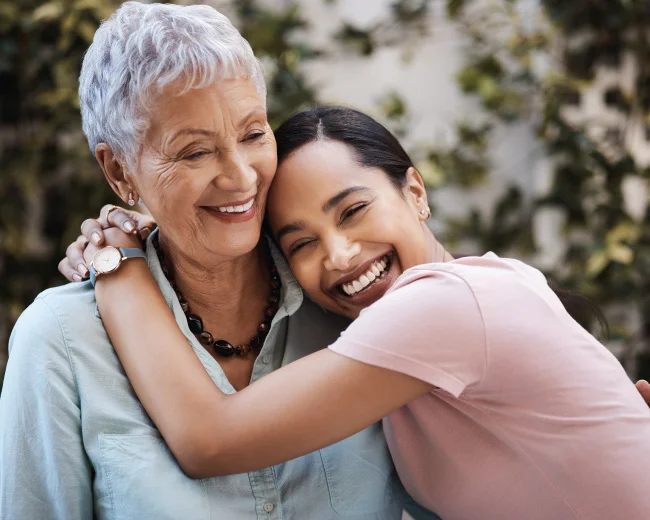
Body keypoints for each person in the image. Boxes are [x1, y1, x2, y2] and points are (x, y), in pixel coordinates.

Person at [61, 106, 650, 520]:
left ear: (414, 192)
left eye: (353, 210)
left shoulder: (446, 304)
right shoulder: (390, 354)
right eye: (301, 244)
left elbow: (208, 440)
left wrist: (120, 265)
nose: (339, 256)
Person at [0, 5, 423, 520]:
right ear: (119, 171)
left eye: (252, 135)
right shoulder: (61, 342)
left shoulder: (349, 297)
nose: (240, 177)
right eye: (195, 153)